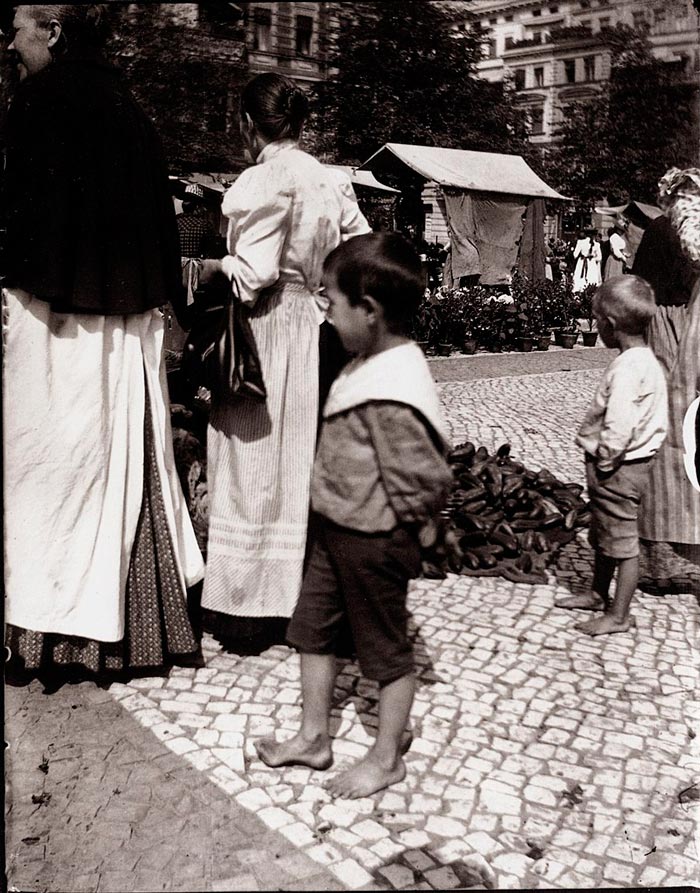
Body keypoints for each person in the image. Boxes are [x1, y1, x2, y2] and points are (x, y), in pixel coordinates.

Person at [2, 5, 204, 677]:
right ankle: (136, 633)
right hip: (127, 321)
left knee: (44, 471)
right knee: (120, 466)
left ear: (52, 30)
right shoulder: (129, 105)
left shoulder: (37, 100)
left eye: (17, 28)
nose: (10, 42)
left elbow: (18, 218)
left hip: (50, 316)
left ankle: (42, 637)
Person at [254, 233, 453, 797]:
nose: (326, 313)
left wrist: (420, 534)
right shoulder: (368, 361)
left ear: (368, 311)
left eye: (331, 302)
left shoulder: (393, 387)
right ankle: (314, 736)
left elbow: (423, 476)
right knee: (312, 631)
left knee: (386, 653)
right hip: (337, 532)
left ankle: (387, 756)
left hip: (374, 541)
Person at [198, 72, 370, 644]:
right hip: (314, 329)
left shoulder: (265, 178)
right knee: (301, 460)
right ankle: (306, 598)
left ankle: (248, 608)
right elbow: (359, 253)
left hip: (267, 329)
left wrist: (215, 269)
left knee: (254, 462)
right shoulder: (329, 179)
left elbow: (255, 275)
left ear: (249, 124)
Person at [556, 276, 668, 635]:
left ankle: (618, 615)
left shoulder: (626, 369)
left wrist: (606, 458)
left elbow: (620, 422)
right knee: (606, 534)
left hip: (618, 468)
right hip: (631, 465)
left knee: (622, 543)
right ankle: (596, 593)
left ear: (610, 325)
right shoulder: (647, 362)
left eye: (596, 319)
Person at [633, 168, 700, 593]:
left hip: (666, 328)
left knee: (662, 434)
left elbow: (640, 288)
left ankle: (665, 560)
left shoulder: (660, 229)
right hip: (696, 330)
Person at [572, 226, 602, 292]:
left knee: (580, 278)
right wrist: (593, 257)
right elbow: (599, 258)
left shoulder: (580, 242)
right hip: (592, 264)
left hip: (582, 262)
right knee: (591, 279)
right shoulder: (597, 244)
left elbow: (575, 255)